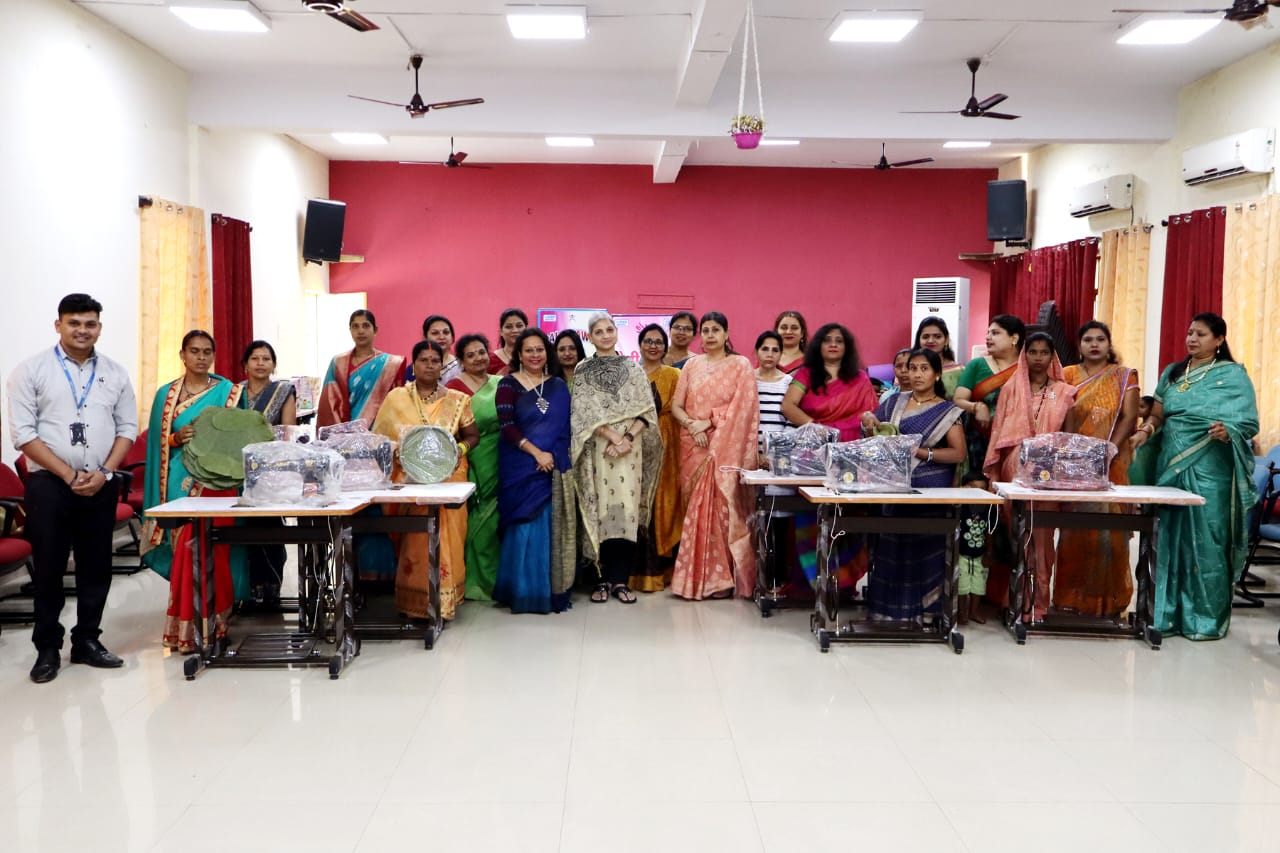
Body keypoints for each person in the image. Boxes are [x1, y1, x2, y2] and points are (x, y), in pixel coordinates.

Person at [7, 293, 137, 683]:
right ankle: (47, 648)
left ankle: (87, 641)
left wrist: (105, 471)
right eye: (74, 323)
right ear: (58, 325)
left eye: (90, 323)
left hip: (100, 482)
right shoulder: (31, 371)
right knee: (49, 567)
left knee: (96, 566)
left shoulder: (115, 373)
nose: (83, 330)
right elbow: (23, 434)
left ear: (99, 327)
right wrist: (67, 474)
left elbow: (127, 428)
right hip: (49, 484)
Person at [1130, 312, 1259, 640]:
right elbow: (1158, 414)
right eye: (1190, 332)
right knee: (1167, 534)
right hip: (1171, 461)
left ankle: (1204, 618)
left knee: (1208, 538)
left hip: (1211, 467)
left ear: (1219, 339)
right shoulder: (1173, 372)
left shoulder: (1233, 375)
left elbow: (1247, 422)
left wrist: (1228, 431)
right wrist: (1146, 431)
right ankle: (1163, 614)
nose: (1192, 339)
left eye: (1200, 334)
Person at [142, 330, 247, 653]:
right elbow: (158, 444)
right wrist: (177, 438)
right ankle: (186, 625)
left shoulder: (229, 392)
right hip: (180, 483)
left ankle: (217, 624)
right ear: (182, 355)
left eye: (206, 352)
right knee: (185, 550)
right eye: (194, 351)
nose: (201, 357)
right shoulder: (166, 395)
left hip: (218, 483)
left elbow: (241, 437)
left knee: (215, 549)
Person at [371, 341, 479, 621]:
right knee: (416, 538)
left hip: (449, 478)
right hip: (409, 479)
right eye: (423, 360)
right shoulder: (396, 398)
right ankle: (416, 602)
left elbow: (472, 436)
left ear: (442, 365)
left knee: (449, 536)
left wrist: (458, 450)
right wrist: (398, 452)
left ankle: (445, 601)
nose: (429, 365)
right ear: (414, 364)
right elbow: (379, 440)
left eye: (435, 360)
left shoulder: (457, 399)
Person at [860, 348, 965, 623]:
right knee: (891, 545)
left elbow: (958, 453)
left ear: (937, 374)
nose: (916, 374)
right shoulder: (894, 402)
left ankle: (927, 612)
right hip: (892, 486)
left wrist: (920, 452)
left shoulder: (948, 411)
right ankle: (888, 612)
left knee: (925, 546)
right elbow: (873, 434)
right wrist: (869, 422)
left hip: (929, 488)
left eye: (924, 369)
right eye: (912, 368)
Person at [983, 332, 1076, 621]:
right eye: (1032, 352)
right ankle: (1012, 600)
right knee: (1016, 534)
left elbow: (1069, 437)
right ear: (1024, 355)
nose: (1038, 358)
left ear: (1052, 357)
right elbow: (998, 430)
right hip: (1014, 469)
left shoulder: (1064, 392)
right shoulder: (1011, 389)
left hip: (1049, 472)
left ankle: (1037, 605)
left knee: (1042, 539)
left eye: (1043, 352)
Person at [571, 313, 661, 603]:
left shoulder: (633, 368)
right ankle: (599, 579)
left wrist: (628, 439)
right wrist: (612, 436)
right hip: (598, 447)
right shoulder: (583, 369)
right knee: (598, 509)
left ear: (616, 333)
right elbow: (582, 413)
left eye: (609, 329)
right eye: (599, 331)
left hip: (629, 452)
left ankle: (620, 580)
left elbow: (647, 411)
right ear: (590, 337)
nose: (606, 335)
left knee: (625, 511)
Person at [669, 311, 759, 600]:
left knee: (722, 511)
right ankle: (694, 579)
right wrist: (691, 425)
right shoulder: (691, 365)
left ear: (726, 333)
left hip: (724, 446)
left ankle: (721, 580)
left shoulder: (740, 365)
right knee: (695, 514)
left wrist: (707, 423)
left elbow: (744, 407)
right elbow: (676, 406)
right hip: (692, 445)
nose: (709, 335)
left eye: (715, 330)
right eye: (705, 330)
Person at [1054, 321, 1140, 618]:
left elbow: (1129, 416)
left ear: (1109, 344)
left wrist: (1109, 449)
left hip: (1111, 462)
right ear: (1079, 345)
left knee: (1109, 533)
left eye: (1100, 339)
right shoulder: (1067, 375)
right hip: (1074, 463)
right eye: (1088, 339)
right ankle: (1071, 599)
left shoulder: (1124, 376)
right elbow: (1060, 413)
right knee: (1074, 532)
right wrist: (1073, 453)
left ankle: (1109, 602)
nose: (1094, 344)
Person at [493, 329, 577, 613]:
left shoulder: (558, 385)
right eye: (528, 350)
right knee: (522, 526)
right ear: (519, 354)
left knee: (548, 527)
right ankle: (521, 591)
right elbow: (507, 426)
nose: (535, 355)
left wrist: (550, 454)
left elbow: (566, 427)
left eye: (539, 349)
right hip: (519, 464)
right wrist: (536, 453)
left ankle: (548, 590)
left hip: (551, 464)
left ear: (547, 352)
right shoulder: (508, 384)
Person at [237, 339, 297, 607]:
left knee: (270, 528)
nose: (260, 363)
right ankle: (245, 588)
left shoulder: (283, 391)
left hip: (271, 471)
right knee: (242, 530)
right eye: (255, 358)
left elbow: (287, 433)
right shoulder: (234, 393)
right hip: (237, 471)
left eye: (266, 359)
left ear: (273, 365)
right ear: (245, 364)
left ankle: (271, 586)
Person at [446, 334, 501, 601]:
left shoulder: (500, 383)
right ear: (461, 361)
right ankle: (473, 583)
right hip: (470, 456)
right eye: (471, 355)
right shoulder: (454, 388)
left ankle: (495, 580)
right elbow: (450, 427)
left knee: (496, 520)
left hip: (501, 455)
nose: (478, 358)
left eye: (482, 352)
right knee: (476, 518)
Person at [634, 322, 683, 591]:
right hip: (633, 448)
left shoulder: (674, 375)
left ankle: (663, 572)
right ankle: (635, 572)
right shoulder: (631, 375)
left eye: (658, 342)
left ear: (665, 347)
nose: (653, 346)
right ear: (640, 345)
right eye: (648, 341)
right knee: (638, 504)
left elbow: (681, 409)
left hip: (667, 447)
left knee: (663, 504)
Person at [755, 330, 800, 590]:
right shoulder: (747, 380)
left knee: (779, 519)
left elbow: (791, 422)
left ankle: (777, 578)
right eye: (765, 349)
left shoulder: (788, 382)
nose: (770, 354)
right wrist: (754, 453)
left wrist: (773, 455)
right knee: (753, 519)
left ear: (781, 354)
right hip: (750, 459)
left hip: (778, 462)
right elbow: (742, 418)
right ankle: (755, 577)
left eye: (775, 350)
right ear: (757, 351)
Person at [780, 322, 878, 441]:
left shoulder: (860, 378)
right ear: (819, 345)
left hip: (853, 443)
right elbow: (788, 406)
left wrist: (868, 418)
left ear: (846, 347)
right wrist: (816, 428)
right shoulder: (805, 374)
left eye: (839, 341)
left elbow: (871, 412)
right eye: (827, 340)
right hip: (816, 441)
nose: (833, 344)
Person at [954, 314, 1024, 476]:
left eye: (995, 333)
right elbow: (958, 399)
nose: (988, 337)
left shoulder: (1026, 368)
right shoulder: (977, 365)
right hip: (978, 441)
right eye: (988, 333)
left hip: (1015, 442)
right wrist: (977, 407)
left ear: (1014, 338)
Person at [317, 309, 405, 428]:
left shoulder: (390, 364)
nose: (360, 331)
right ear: (350, 330)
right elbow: (329, 404)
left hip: (378, 432)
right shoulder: (338, 363)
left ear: (375, 330)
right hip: (346, 433)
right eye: (355, 326)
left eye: (366, 326)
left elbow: (396, 403)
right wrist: (341, 434)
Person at [956, 472, 991, 625]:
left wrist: (989, 552)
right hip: (961, 553)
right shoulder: (960, 506)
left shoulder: (989, 508)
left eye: (982, 489)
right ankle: (961, 612)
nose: (978, 493)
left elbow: (990, 532)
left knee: (979, 585)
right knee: (961, 585)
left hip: (980, 554)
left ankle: (974, 611)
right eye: (973, 488)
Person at [914, 316, 965, 399]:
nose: (930, 341)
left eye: (937, 337)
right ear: (919, 340)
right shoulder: (909, 368)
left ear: (946, 340)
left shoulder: (960, 371)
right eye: (925, 337)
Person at [407, 315, 462, 386]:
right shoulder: (414, 369)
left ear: (452, 337)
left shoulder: (462, 367)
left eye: (446, 332)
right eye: (435, 333)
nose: (441, 337)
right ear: (425, 337)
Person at [487, 308, 528, 375]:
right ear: (501, 331)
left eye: (519, 326)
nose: (515, 330)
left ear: (526, 329)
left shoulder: (534, 357)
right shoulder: (490, 360)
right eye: (509, 327)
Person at [774, 310, 809, 374]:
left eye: (794, 328)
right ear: (776, 331)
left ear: (802, 333)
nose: (788, 332)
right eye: (784, 328)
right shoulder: (766, 358)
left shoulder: (811, 361)